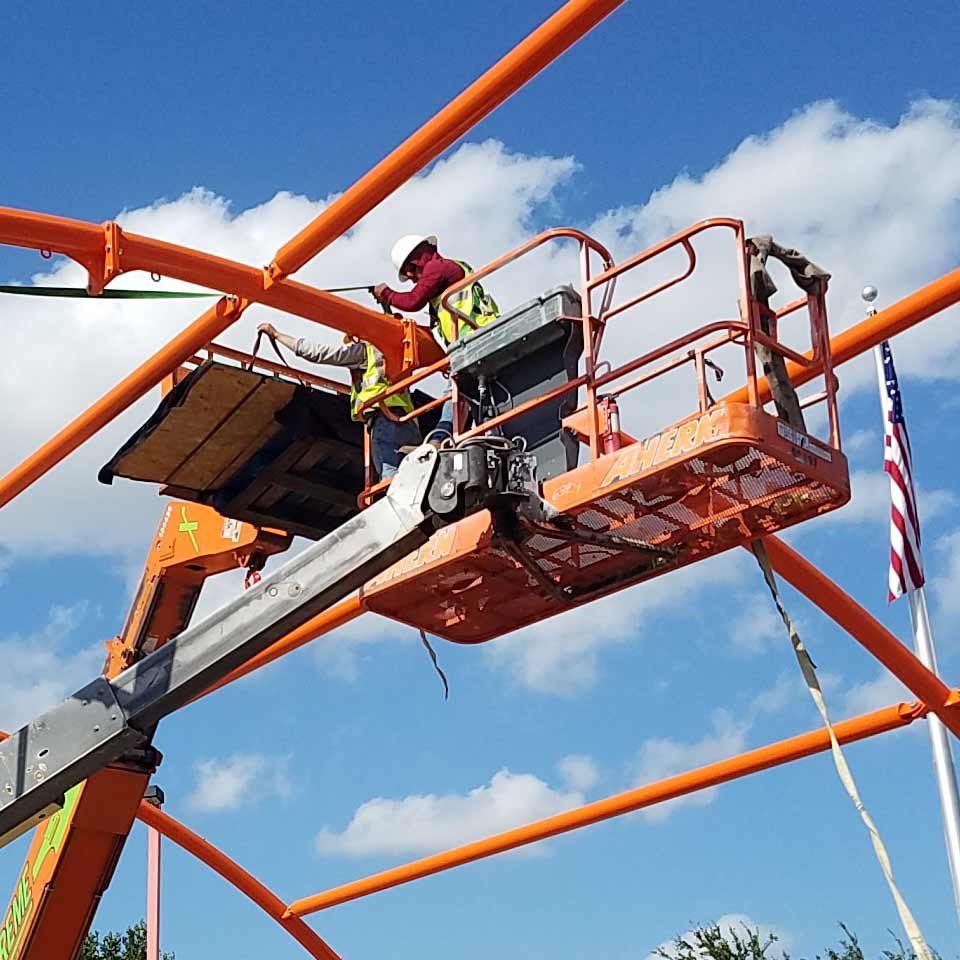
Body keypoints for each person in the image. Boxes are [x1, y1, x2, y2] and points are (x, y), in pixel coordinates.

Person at [373, 234, 499, 442]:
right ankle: (476, 439)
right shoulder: (449, 272)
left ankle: (440, 438)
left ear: (417, 259)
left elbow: (413, 301)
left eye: (410, 271)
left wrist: (386, 293)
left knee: (458, 388)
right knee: (475, 395)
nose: (412, 278)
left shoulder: (436, 268)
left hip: (473, 339)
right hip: (475, 338)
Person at [255, 322, 420, 481]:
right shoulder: (399, 355)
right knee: (413, 475)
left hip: (384, 418)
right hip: (409, 423)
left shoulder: (366, 350)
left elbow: (320, 353)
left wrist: (277, 335)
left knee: (390, 478)